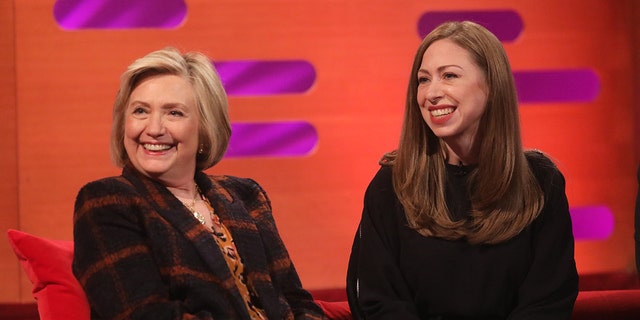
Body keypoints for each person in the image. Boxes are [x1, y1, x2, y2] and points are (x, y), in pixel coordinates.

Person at [346, 21, 578, 319]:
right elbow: (376, 300)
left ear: (492, 86)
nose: (431, 93)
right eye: (423, 79)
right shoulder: (392, 184)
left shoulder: (540, 181)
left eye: (449, 76)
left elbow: (548, 301)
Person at [72, 47, 325, 319]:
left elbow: (296, 302)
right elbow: (145, 315)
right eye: (140, 111)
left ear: (205, 127)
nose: (154, 128)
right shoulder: (107, 202)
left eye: (174, 113)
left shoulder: (246, 196)